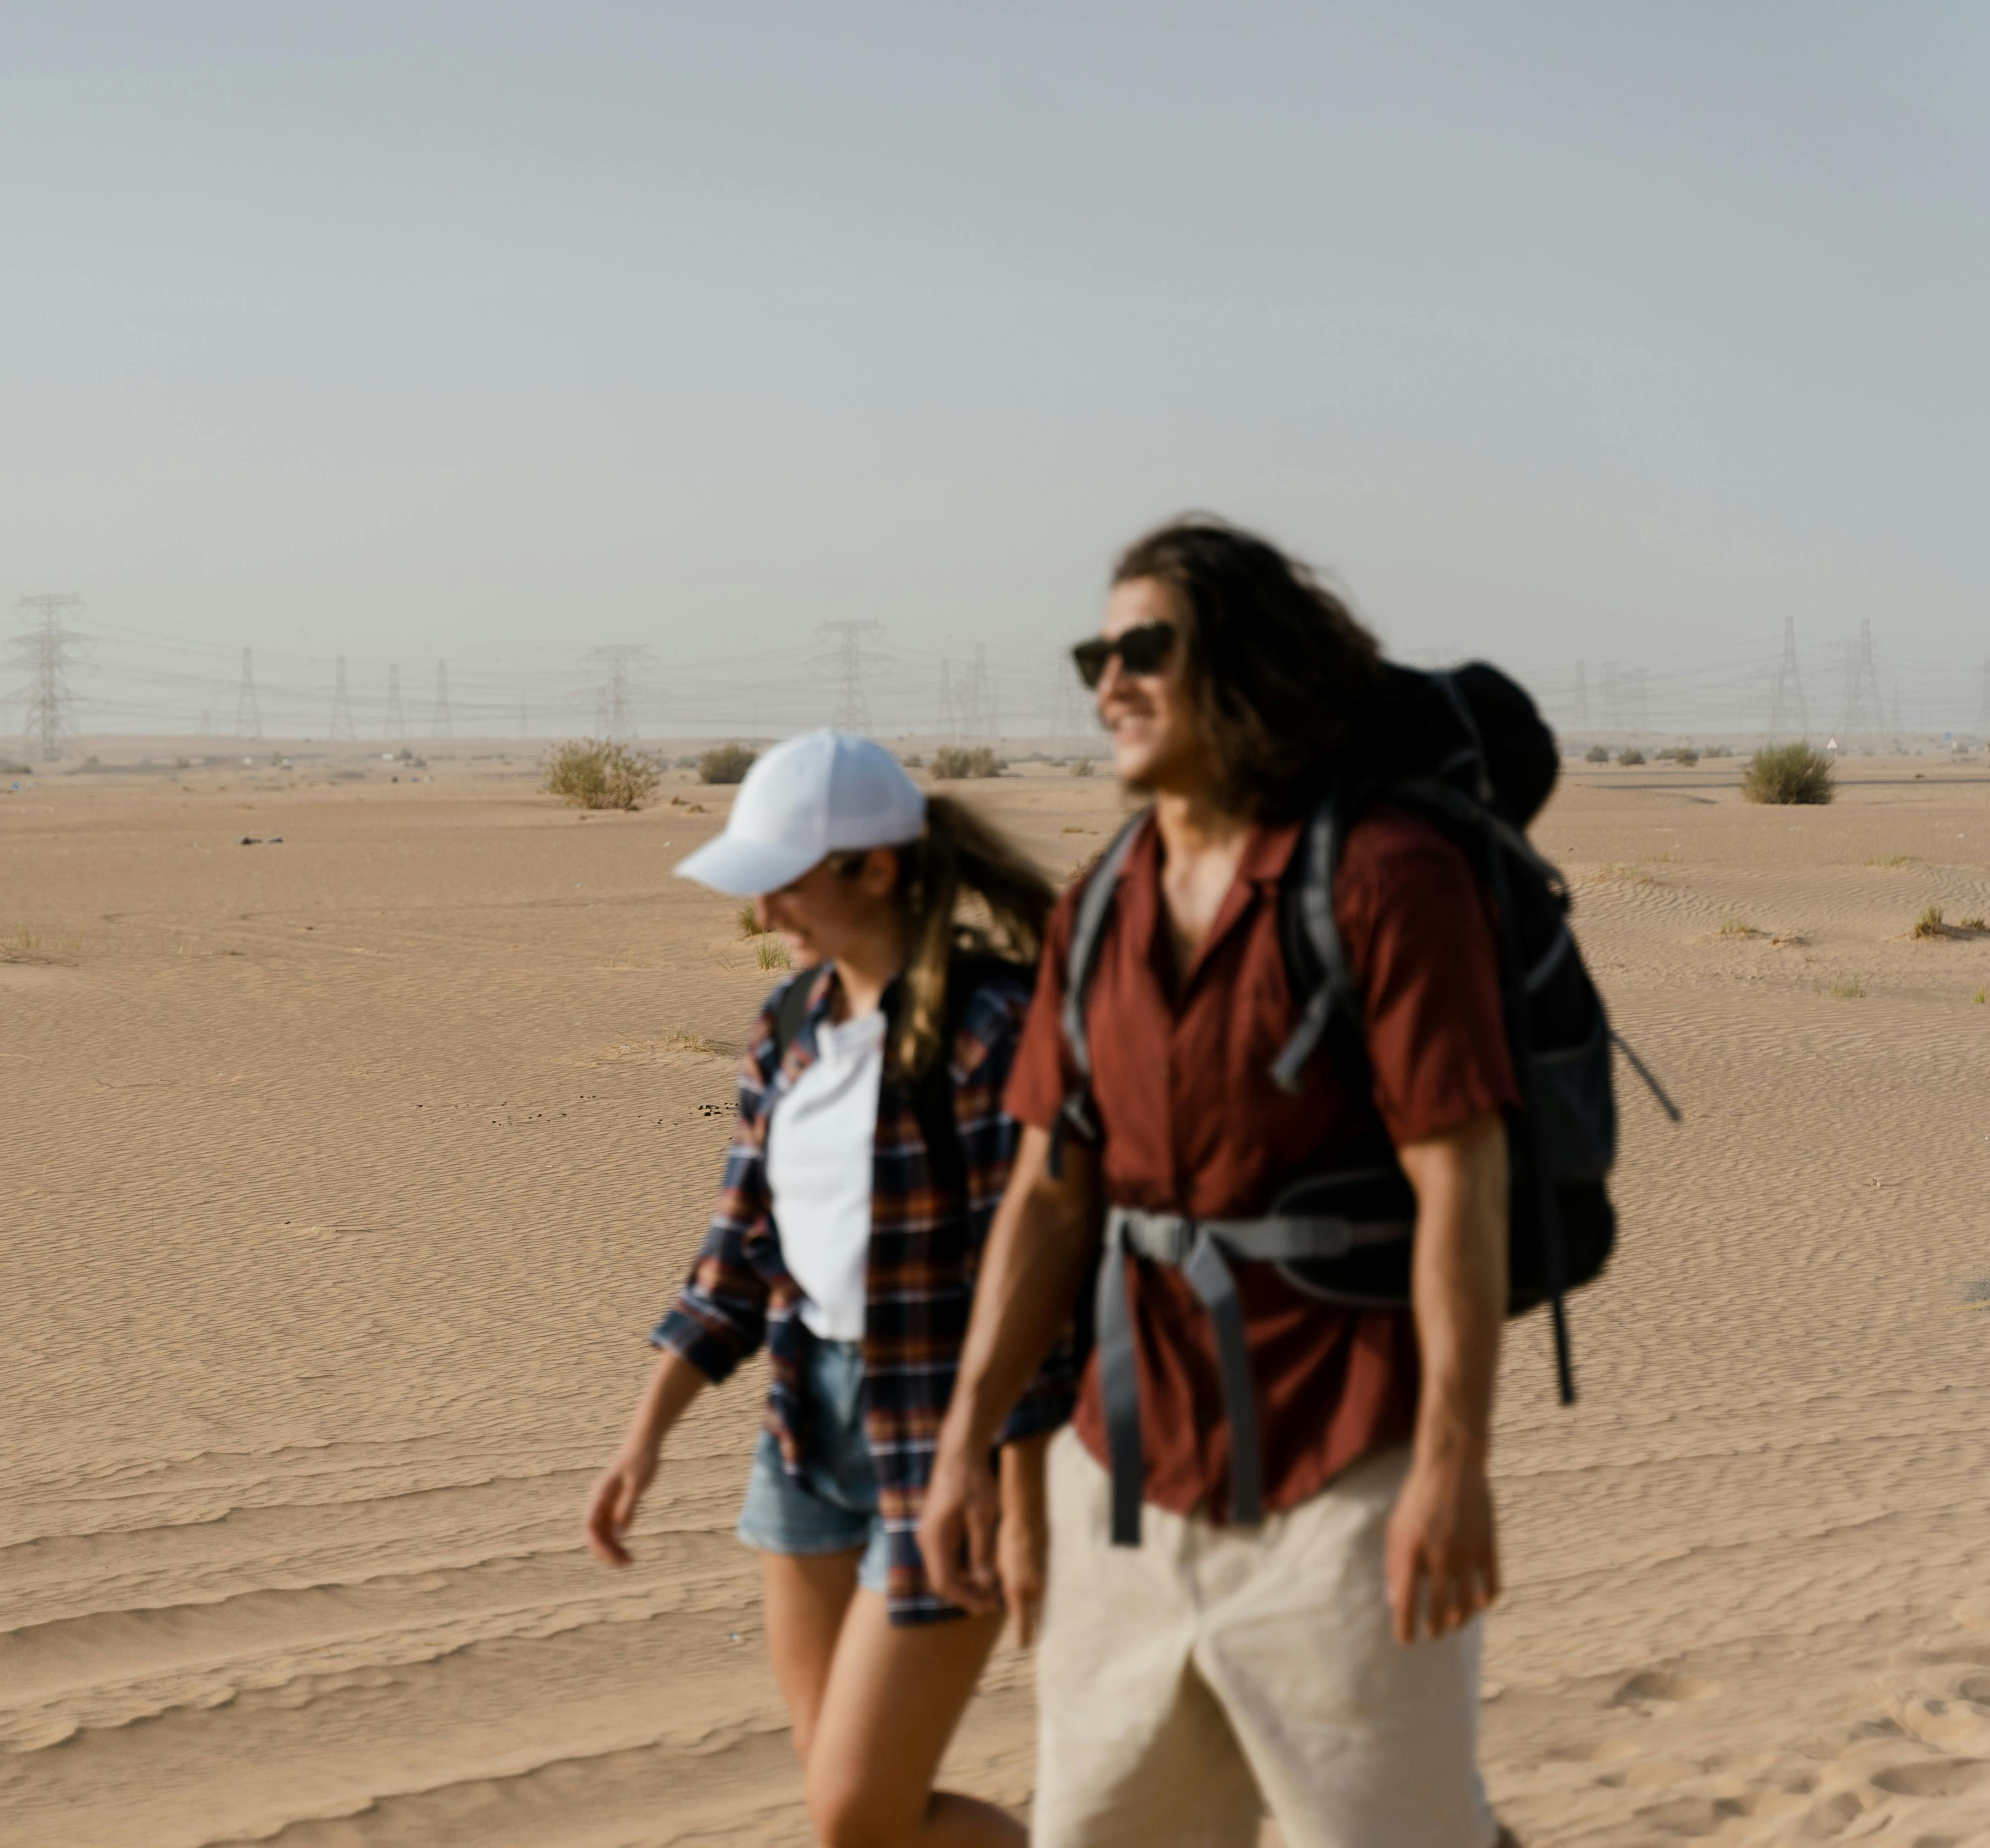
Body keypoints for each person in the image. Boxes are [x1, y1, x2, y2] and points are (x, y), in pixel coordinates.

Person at [916, 517, 1520, 1848]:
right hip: (1122, 1482)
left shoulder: (1383, 882)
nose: (1109, 681)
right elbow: (1048, 1196)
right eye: (1098, 651)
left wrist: (1451, 1467)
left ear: (1241, 667)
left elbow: (1461, 1186)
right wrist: (964, 1446)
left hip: (1346, 1479)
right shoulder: (1099, 907)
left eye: (1146, 648)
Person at [582, 729, 1078, 1848]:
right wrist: (643, 1435)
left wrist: (1016, 1475)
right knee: (845, 1799)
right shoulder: (789, 1024)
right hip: (807, 1430)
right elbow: (738, 1251)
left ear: (879, 868)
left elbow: (1044, 1266)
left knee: (858, 1810)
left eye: (784, 884)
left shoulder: (993, 1026)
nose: (764, 916)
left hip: (952, 1432)